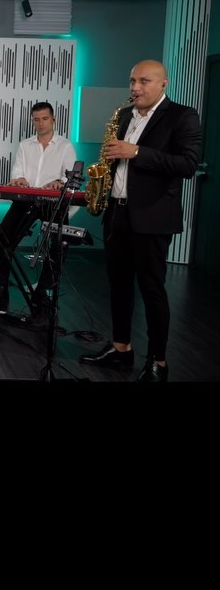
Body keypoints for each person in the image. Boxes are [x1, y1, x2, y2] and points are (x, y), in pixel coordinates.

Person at [79, 60, 201, 383]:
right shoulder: (123, 115)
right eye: (132, 80)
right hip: (117, 214)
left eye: (144, 81)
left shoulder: (182, 116)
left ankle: (158, 361)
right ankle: (121, 348)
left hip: (152, 217)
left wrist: (135, 152)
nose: (135, 87)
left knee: (151, 289)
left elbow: (187, 164)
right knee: (118, 286)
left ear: (164, 84)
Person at [0, 102, 77, 312]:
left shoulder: (65, 146)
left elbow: (70, 178)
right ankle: (1, 287)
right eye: (36, 119)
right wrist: (18, 179)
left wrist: (60, 182)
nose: (40, 123)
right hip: (26, 200)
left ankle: (43, 291)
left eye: (45, 118)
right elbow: (17, 171)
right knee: (3, 237)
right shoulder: (25, 145)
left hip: (53, 203)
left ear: (53, 120)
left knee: (59, 245)